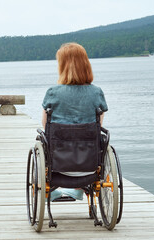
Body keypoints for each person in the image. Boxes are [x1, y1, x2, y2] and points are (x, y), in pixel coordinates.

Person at [41, 42, 108, 201]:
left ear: (63, 66)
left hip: (58, 165)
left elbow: (46, 126)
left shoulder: (53, 92)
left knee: (44, 138)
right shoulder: (96, 92)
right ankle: (78, 189)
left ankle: (51, 190)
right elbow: (99, 124)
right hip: (89, 165)